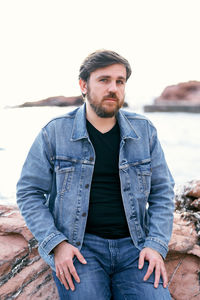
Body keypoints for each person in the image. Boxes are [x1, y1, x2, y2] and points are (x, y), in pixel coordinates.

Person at [17, 50, 175, 300]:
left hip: (135, 247)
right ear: (83, 84)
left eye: (119, 81)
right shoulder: (55, 132)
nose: (113, 88)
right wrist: (57, 244)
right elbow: (29, 192)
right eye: (104, 80)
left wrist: (155, 245)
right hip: (80, 249)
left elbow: (163, 191)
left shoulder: (144, 131)